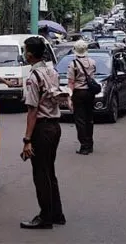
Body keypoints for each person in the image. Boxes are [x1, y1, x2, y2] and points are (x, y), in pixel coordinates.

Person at [20, 36, 64, 229]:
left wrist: (27, 139)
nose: (24, 53)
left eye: (25, 50)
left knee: (40, 174)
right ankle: (56, 213)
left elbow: (32, 110)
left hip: (42, 128)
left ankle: (45, 216)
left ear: (29, 54)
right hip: (55, 127)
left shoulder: (33, 77)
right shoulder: (51, 71)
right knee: (49, 172)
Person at [67, 40, 97, 154]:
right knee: (89, 119)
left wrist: (69, 98)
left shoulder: (73, 64)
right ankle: (90, 143)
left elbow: (71, 82)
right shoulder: (92, 62)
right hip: (90, 93)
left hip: (78, 93)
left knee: (80, 120)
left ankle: (84, 145)